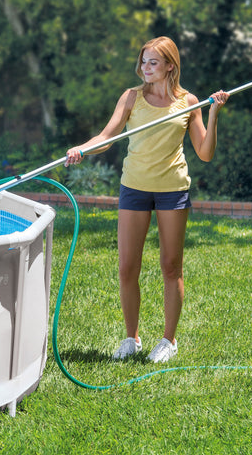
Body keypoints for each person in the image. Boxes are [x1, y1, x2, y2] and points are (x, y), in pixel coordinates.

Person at [65, 36, 229, 363]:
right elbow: (107, 136)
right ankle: (132, 338)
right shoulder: (131, 98)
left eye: (153, 62)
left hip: (172, 188)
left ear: (170, 65)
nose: (145, 68)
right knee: (127, 268)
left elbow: (205, 153)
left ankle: (168, 340)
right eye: (143, 61)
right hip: (134, 187)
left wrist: (212, 114)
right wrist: (82, 148)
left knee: (171, 266)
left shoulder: (189, 102)